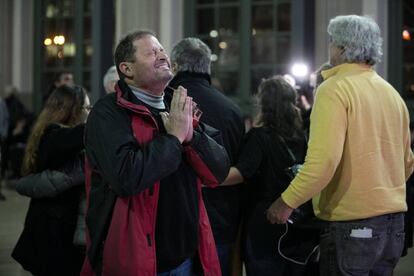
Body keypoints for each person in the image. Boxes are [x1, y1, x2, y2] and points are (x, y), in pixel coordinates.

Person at [266, 15, 414, 275]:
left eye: (331, 41)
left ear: (343, 48)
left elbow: (323, 163)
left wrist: (286, 202)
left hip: (352, 227)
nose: (330, 47)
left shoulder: (334, 88)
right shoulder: (391, 93)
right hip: (394, 227)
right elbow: (407, 164)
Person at [80, 30, 230, 276]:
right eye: (151, 52)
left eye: (161, 50)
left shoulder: (179, 105)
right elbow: (126, 177)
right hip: (137, 256)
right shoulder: (108, 114)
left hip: (185, 256)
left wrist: (191, 136)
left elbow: (218, 171)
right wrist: (173, 139)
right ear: (127, 69)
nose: (162, 55)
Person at [167, 37, 245, 276]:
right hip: (220, 218)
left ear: (175, 66)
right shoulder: (232, 110)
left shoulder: (165, 102)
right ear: (207, 67)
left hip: (173, 220)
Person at [222, 76, 312, 276]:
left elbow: (241, 173)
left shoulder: (259, 137)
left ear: (264, 104)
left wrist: (209, 178)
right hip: (298, 226)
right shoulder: (302, 136)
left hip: (265, 226)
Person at [12, 85, 90, 276]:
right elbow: (71, 138)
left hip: (52, 227)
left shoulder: (48, 133)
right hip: (52, 231)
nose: (90, 112)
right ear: (74, 110)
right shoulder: (53, 135)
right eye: (87, 108)